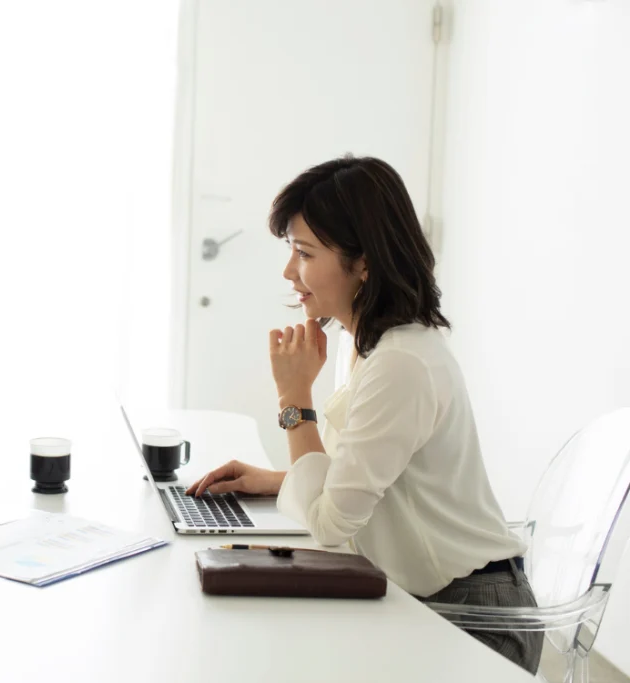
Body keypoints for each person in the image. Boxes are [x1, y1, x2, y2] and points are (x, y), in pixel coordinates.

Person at [186, 156, 543, 674]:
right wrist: (279, 479)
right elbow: (369, 478)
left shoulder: (400, 363)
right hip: (425, 596)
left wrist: (293, 400)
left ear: (365, 263)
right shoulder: (367, 344)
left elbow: (331, 527)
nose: (290, 272)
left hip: (473, 618)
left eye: (304, 254)